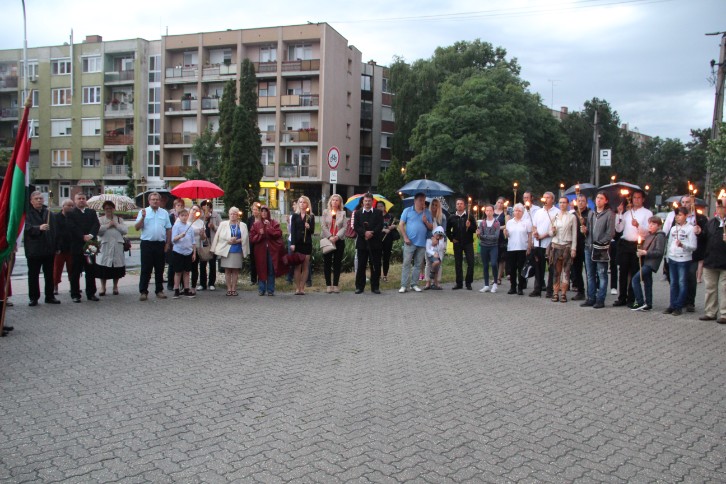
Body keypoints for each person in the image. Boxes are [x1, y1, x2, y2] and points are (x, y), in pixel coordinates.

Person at [613, 190, 652, 307]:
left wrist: (638, 225)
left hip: (637, 244)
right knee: (623, 272)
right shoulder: (626, 213)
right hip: (625, 244)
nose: (636, 200)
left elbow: (648, 232)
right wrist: (619, 214)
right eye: (634, 198)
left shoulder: (647, 213)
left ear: (643, 199)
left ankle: (631, 298)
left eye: (639, 198)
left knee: (635, 271)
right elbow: (619, 228)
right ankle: (622, 297)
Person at [134, 191, 172, 301]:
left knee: (160, 268)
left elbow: (168, 229)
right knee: (146, 269)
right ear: (149, 201)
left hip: (160, 244)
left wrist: (167, 243)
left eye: (157, 199)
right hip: (147, 243)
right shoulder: (143, 212)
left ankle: (159, 290)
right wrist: (142, 218)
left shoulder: (164, 213)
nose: (155, 201)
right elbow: (137, 227)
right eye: (153, 199)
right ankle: (143, 291)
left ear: (160, 201)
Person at [24, 191, 60, 306]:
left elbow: (55, 231)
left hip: (49, 249)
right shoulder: (27, 214)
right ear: (31, 201)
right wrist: (38, 228)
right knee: (33, 275)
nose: (39, 200)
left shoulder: (49, 213)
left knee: (49, 275)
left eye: (40, 198)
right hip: (34, 250)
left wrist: (57, 246)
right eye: (36, 199)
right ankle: (33, 297)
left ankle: (50, 296)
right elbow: (26, 229)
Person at [581, 191, 616, 309]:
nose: (598, 200)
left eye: (601, 198)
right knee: (590, 274)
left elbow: (610, 233)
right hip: (589, 247)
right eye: (597, 198)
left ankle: (600, 299)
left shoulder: (609, 214)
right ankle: (591, 298)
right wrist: (585, 230)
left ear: (606, 201)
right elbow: (588, 230)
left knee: (601, 274)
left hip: (601, 249)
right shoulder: (591, 213)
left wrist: (600, 242)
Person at [67, 192, 101, 303]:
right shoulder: (70, 213)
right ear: (75, 200)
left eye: (83, 198)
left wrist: (90, 235)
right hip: (77, 245)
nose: (81, 200)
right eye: (79, 198)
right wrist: (82, 236)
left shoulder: (91, 212)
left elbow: (96, 224)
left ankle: (91, 293)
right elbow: (71, 227)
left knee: (91, 269)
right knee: (75, 271)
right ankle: (75, 294)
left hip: (90, 245)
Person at [664, 207, 697, 316]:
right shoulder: (673, 228)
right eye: (676, 215)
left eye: (680, 215)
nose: (678, 217)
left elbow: (693, 246)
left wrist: (683, 245)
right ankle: (672, 304)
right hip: (673, 258)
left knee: (682, 282)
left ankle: (679, 306)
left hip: (684, 259)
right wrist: (667, 256)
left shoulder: (690, 229)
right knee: (673, 283)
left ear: (686, 216)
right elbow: (669, 243)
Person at [398, 192, 433, 293]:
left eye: (424, 200)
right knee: (406, 263)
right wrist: (405, 237)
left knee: (418, 264)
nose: (422, 202)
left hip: (422, 242)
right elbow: (401, 225)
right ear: (415, 201)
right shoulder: (407, 210)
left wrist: (426, 221)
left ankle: (414, 284)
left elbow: (431, 227)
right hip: (410, 242)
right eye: (420, 200)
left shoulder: (427, 212)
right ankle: (404, 285)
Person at [678, 195, 708, 312]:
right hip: (680, 251)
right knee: (680, 277)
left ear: (693, 203)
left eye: (687, 202)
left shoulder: (701, 218)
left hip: (693, 253)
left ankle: (690, 302)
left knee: (691, 275)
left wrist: (699, 232)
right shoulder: (679, 217)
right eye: (683, 202)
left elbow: (705, 235)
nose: (685, 204)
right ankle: (681, 299)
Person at [211, 207, 249, 296]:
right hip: (226, 250)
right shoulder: (223, 224)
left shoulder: (243, 225)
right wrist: (229, 240)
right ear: (229, 215)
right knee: (227, 270)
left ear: (238, 215)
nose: (233, 215)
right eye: (231, 214)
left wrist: (237, 240)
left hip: (237, 250)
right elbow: (219, 236)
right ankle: (228, 288)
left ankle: (234, 288)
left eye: (235, 214)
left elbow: (245, 238)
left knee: (235, 270)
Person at [631, 216, 666, 311]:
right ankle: (648, 303)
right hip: (646, 261)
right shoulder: (649, 235)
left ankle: (640, 302)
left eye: (653, 224)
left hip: (651, 263)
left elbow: (659, 252)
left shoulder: (659, 236)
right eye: (649, 223)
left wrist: (645, 252)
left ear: (659, 226)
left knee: (635, 279)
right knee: (647, 282)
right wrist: (640, 252)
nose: (650, 226)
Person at [700, 198, 726, 324]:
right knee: (710, 288)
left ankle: (724, 313)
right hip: (710, 260)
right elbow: (704, 238)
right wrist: (699, 233)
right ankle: (710, 312)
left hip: (725, 262)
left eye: (721, 206)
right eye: (717, 206)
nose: (719, 209)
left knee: (724, 289)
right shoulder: (711, 222)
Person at [548, 196, 578, 303]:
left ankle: (564, 293)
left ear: (568, 204)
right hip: (556, 245)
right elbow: (550, 233)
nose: (562, 204)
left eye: (564, 202)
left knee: (566, 271)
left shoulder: (572, 217)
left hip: (567, 246)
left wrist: (573, 248)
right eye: (560, 202)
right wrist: (552, 231)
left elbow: (574, 234)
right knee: (556, 271)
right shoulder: (555, 216)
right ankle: (555, 292)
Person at [250, 205, 284, 296]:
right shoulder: (256, 224)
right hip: (260, 251)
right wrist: (259, 234)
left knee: (271, 270)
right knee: (261, 269)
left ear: (268, 212)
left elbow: (278, 234)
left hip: (272, 250)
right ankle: (261, 289)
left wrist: (269, 227)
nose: (264, 213)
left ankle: (270, 290)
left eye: (265, 211)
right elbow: (252, 238)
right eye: (262, 211)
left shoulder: (274, 223)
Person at [96, 201, 127, 296]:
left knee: (116, 267)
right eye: (106, 208)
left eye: (110, 208)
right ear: (104, 209)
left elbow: (125, 230)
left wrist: (116, 225)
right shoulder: (100, 220)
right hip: (105, 246)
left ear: (114, 209)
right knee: (103, 267)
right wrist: (107, 225)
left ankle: (115, 287)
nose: (109, 210)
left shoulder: (119, 219)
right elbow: (97, 231)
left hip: (117, 246)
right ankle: (103, 287)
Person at [354, 193, 383, 294]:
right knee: (361, 266)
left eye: (369, 201)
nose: (367, 203)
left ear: (372, 202)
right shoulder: (357, 213)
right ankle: (359, 287)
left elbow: (380, 225)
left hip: (375, 243)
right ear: (363, 202)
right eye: (365, 201)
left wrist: (372, 233)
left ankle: (375, 287)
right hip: (362, 243)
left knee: (375, 266)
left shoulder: (378, 213)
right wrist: (364, 233)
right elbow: (356, 226)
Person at [530, 192, 558, 298]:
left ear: (552, 199)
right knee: (538, 267)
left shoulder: (556, 212)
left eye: (548, 197)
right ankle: (537, 289)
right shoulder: (538, 212)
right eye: (544, 197)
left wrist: (543, 236)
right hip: (538, 244)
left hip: (550, 245)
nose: (545, 199)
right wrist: (535, 233)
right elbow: (534, 225)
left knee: (551, 268)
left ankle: (550, 290)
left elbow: (555, 229)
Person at [321, 194, 348, 293]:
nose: (335, 202)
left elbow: (344, 227)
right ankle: (328, 285)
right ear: (330, 201)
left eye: (337, 200)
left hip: (339, 240)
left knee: (337, 263)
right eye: (333, 200)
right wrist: (330, 236)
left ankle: (335, 285)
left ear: (340, 202)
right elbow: (323, 226)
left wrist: (336, 236)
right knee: (327, 263)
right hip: (327, 239)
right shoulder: (325, 212)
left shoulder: (343, 213)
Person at [447, 198, 476, 290]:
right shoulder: (452, 217)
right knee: (458, 263)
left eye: (461, 204)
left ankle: (468, 283)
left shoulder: (469, 216)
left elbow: (475, 229)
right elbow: (447, 230)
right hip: (457, 243)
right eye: (458, 204)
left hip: (468, 243)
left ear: (464, 206)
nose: (459, 205)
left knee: (471, 263)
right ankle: (459, 283)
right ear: (456, 206)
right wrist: (452, 239)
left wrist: (469, 226)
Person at [503, 203, 531, 295]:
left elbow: (529, 235)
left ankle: (520, 287)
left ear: (522, 212)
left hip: (522, 247)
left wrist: (529, 247)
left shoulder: (526, 222)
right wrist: (505, 233)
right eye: (516, 211)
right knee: (512, 269)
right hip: (512, 248)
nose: (517, 212)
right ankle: (513, 286)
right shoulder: (509, 222)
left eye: (519, 211)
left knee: (521, 269)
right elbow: (507, 236)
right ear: (513, 212)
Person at [289, 196, 315, 295]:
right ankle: (297, 287)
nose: (302, 204)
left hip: (307, 243)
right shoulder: (295, 216)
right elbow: (293, 230)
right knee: (297, 266)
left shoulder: (311, 216)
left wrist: (308, 227)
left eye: (304, 202)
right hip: (297, 243)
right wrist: (292, 243)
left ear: (307, 204)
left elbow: (312, 231)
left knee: (305, 265)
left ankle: (302, 287)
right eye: (300, 202)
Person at [171, 208, 197, 298]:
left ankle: (186, 289)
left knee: (187, 272)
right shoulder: (176, 226)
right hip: (178, 251)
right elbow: (173, 239)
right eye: (182, 216)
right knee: (178, 272)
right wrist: (180, 236)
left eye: (186, 215)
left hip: (188, 252)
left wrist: (194, 253)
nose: (184, 217)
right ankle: (176, 289)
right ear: (179, 216)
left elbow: (193, 241)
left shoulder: (190, 227)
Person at [197, 200, 221, 291]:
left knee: (212, 263)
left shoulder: (216, 216)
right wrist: (204, 221)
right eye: (203, 209)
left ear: (211, 209)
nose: (206, 211)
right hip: (203, 242)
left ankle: (211, 283)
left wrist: (214, 227)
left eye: (207, 209)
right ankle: (202, 283)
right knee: (202, 263)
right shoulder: (200, 217)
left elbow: (221, 228)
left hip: (213, 242)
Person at [570, 194, 590, 301]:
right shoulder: (573, 215)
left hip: (587, 245)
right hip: (576, 245)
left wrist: (585, 227)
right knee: (577, 270)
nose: (581, 202)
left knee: (589, 271)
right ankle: (580, 291)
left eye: (583, 201)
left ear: (586, 203)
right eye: (579, 201)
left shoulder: (590, 213)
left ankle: (591, 292)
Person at [53, 199, 75, 296]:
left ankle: (73, 286)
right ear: (63, 206)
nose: (70, 207)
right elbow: (54, 232)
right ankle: (55, 286)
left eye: (72, 206)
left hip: (71, 247)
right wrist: (56, 246)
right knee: (57, 269)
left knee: (72, 268)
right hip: (59, 248)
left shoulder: (73, 217)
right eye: (68, 205)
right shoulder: (56, 217)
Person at [476, 205, 500, 293]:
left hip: (493, 246)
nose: (489, 212)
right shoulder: (482, 223)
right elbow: (480, 236)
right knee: (485, 265)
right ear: (485, 212)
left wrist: (484, 236)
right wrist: (480, 235)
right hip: (484, 246)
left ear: (493, 211)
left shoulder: (496, 223)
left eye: (490, 210)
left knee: (493, 264)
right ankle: (486, 285)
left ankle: (495, 283)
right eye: (487, 210)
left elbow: (496, 236)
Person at [424, 199, 447, 286]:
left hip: (440, 241)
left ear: (438, 206)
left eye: (436, 205)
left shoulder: (442, 217)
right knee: (428, 263)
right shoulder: (427, 215)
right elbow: (425, 230)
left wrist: (437, 239)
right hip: (429, 241)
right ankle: (428, 281)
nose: (434, 206)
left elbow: (443, 230)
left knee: (439, 262)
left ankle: (437, 281)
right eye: (432, 204)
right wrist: (432, 238)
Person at [167, 198, 186, 291]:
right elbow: (170, 228)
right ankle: (171, 283)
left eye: (182, 205)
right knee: (172, 264)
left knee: (181, 264)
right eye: (178, 205)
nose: (180, 207)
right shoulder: (171, 216)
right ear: (174, 207)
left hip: (182, 243)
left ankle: (182, 284)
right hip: (173, 242)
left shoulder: (184, 216)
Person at [378, 201, 399, 282]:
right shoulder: (375, 216)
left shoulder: (390, 216)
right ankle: (378, 275)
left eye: (381, 206)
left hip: (388, 239)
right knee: (377, 258)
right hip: (378, 239)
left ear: (384, 207)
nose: (380, 208)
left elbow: (396, 224)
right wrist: (383, 230)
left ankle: (385, 275)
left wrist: (393, 226)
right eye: (378, 206)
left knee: (386, 258)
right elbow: (374, 227)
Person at [246, 202, 262, 285]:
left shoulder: (262, 219)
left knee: (260, 261)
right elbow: (248, 230)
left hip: (260, 242)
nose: (255, 211)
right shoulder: (250, 219)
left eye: (256, 209)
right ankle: (253, 279)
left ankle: (260, 279)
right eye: (253, 209)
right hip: (252, 242)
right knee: (253, 261)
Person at [494, 197, 508, 285]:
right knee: (494, 258)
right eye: (498, 202)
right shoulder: (492, 212)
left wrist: (498, 227)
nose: (499, 204)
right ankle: (494, 276)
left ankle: (499, 277)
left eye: (501, 203)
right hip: (492, 237)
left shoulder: (505, 214)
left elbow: (507, 225)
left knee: (501, 258)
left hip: (501, 237)